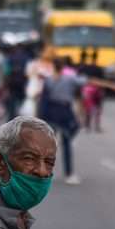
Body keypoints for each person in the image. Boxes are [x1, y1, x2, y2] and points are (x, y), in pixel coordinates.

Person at [39, 57, 83, 185]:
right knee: (67, 143)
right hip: (64, 112)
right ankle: (69, 174)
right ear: (63, 67)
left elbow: (43, 99)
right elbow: (82, 82)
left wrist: (41, 116)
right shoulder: (69, 79)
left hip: (51, 113)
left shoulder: (48, 80)